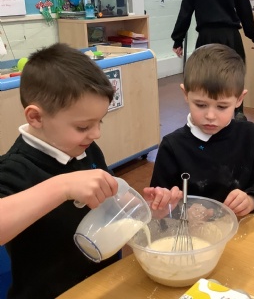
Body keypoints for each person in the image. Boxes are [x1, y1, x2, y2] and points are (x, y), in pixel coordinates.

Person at [0, 43, 181, 299]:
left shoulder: (85, 149)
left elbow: (111, 204)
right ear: (36, 118)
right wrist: (63, 186)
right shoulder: (14, 168)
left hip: (103, 284)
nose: (96, 134)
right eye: (84, 127)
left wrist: (145, 210)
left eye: (100, 121)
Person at [150, 44, 254, 217]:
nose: (210, 116)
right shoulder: (172, 146)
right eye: (201, 105)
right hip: (191, 230)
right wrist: (178, 210)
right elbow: (159, 205)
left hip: (240, 226)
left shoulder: (248, 135)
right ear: (186, 94)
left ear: (239, 99)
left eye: (222, 107)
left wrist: (251, 200)